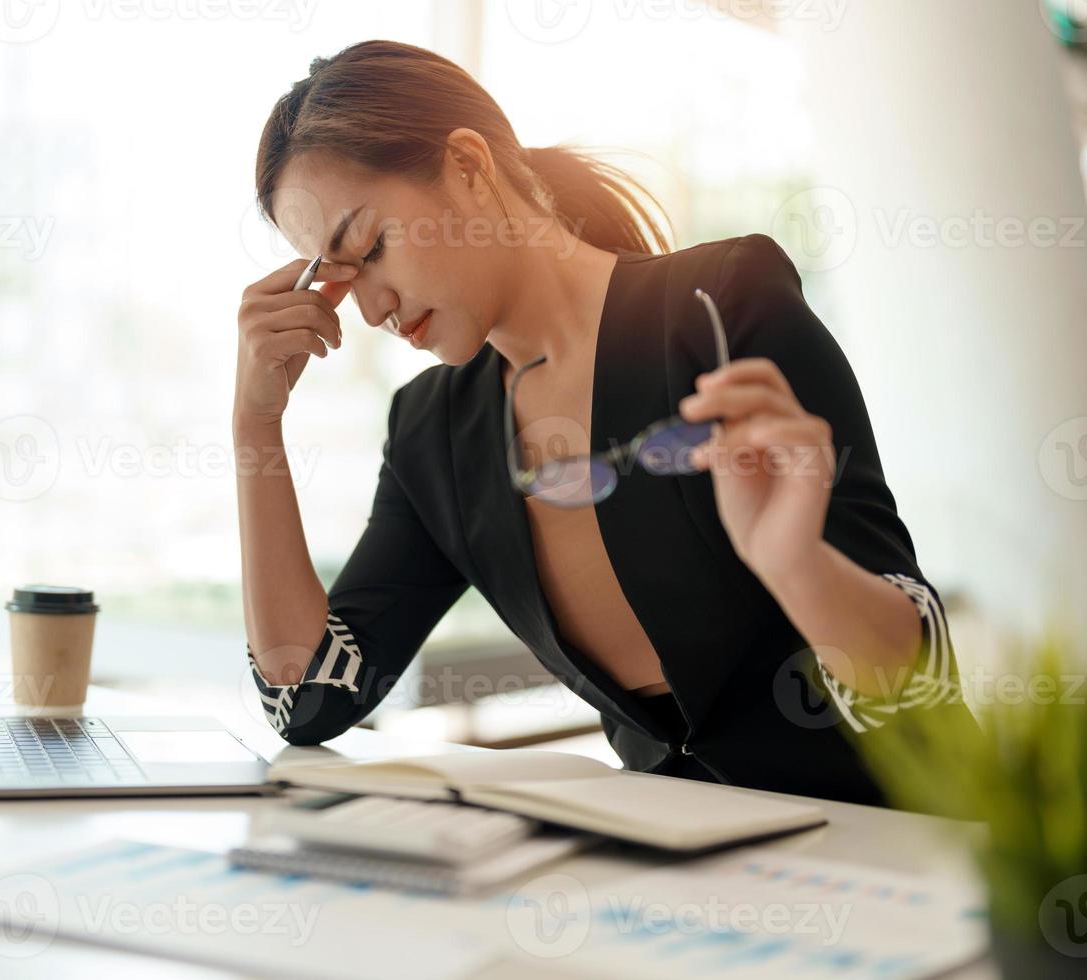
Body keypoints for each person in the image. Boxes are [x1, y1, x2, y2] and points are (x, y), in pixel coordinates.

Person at [233, 40, 972, 807]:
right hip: (688, 883)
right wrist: (255, 425)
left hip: (906, 850)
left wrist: (796, 567)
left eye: (371, 248)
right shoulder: (435, 433)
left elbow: (921, 682)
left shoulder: (718, 310)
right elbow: (309, 701)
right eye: (339, 280)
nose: (372, 308)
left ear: (468, 167)